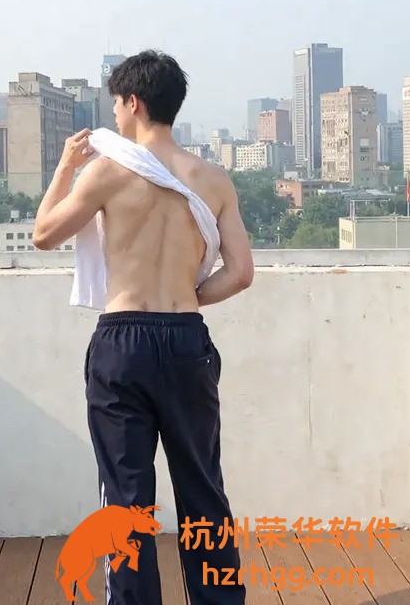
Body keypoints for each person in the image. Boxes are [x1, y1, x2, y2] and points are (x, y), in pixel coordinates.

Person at [33, 50, 254, 605]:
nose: (114, 114)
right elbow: (241, 273)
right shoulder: (213, 179)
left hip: (122, 342)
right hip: (186, 340)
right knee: (203, 489)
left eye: (116, 103)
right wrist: (187, 300)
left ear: (134, 103)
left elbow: (43, 235)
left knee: (126, 501)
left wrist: (65, 167)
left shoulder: (106, 172)